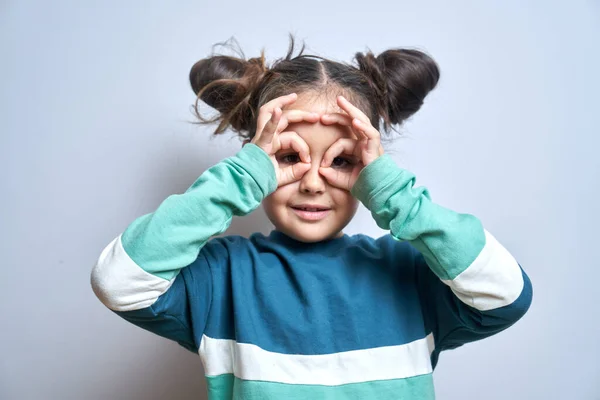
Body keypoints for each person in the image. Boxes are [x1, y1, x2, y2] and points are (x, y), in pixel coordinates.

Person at [90, 36, 533, 400]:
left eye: (341, 162)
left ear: (370, 170)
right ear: (257, 160)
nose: (313, 184)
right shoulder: (219, 279)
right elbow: (119, 281)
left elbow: (505, 293)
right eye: (288, 157)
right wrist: (242, 177)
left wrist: (393, 192)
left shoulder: (411, 274)